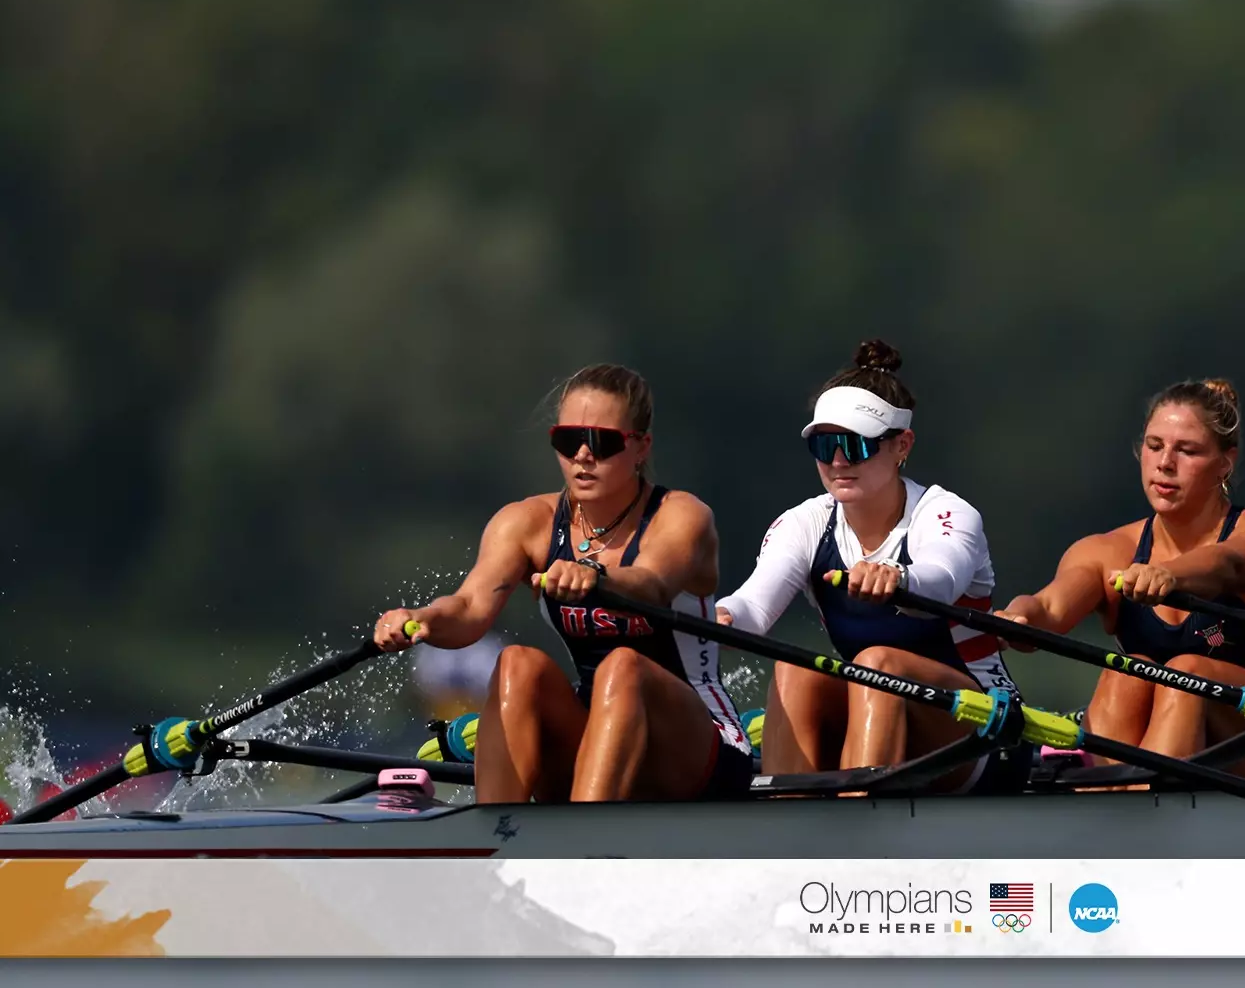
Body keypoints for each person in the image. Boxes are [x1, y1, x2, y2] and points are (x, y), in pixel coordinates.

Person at [371, 364, 751, 803]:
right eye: (569, 442)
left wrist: (598, 576)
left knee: (623, 668)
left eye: (603, 443)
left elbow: (653, 585)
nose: (583, 457)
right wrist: (419, 619)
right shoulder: (526, 523)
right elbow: (469, 611)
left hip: (700, 745)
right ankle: (495, 838)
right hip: (599, 732)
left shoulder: (682, 517)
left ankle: (581, 846)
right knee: (517, 663)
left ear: (641, 447)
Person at [996, 378, 1245, 788]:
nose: (1165, 463)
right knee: (1129, 671)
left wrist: (1171, 575)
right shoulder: (1107, 550)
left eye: (1187, 450)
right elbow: (1049, 609)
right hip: (1169, 745)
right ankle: (1120, 807)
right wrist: (1017, 618)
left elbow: (1227, 564)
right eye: (1154, 445)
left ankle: (1139, 816)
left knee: (1187, 674)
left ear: (1225, 462)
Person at [714, 340, 1023, 794]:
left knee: (879, 664)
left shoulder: (947, 514)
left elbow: (941, 577)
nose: (838, 461)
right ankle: (786, 832)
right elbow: (752, 607)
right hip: (876, 717)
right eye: (824, 445)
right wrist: (717, 617)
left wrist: (901, 578)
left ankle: (853, 827)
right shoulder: (806, 523)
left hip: (982, 739)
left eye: (855, 445)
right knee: (796, 669)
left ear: (902, 445)